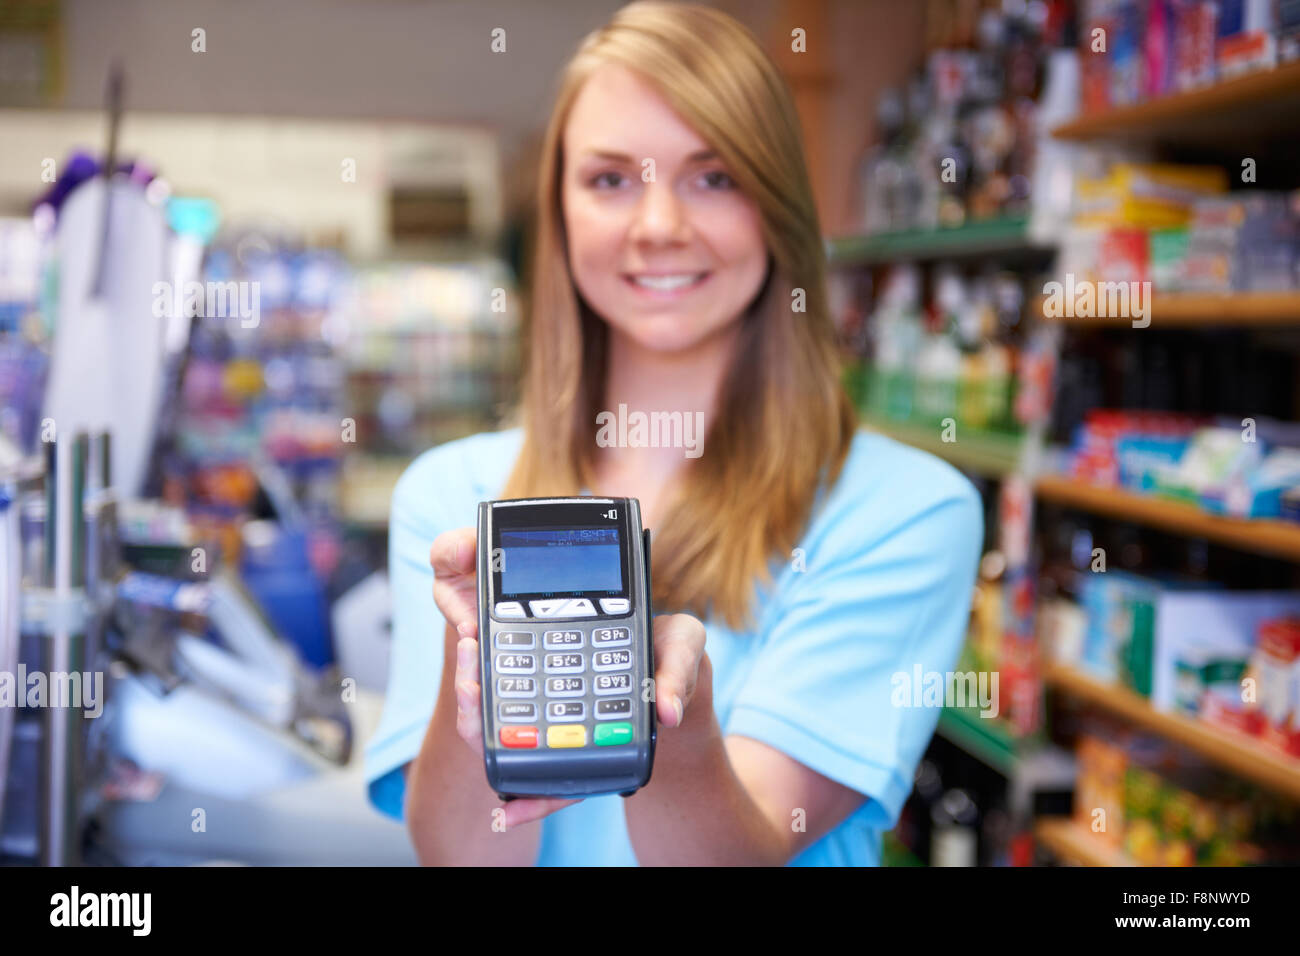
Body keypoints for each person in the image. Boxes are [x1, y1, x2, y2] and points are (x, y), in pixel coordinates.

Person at [364, 1, 982, 866]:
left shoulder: (906, 512)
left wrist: (676, 730)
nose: (659, 227)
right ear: (560, 215)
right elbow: (463, 858)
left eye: (714, 175)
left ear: (777, 209)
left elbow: (756, 845)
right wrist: (475, 668)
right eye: (611, 179)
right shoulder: (449, 502)